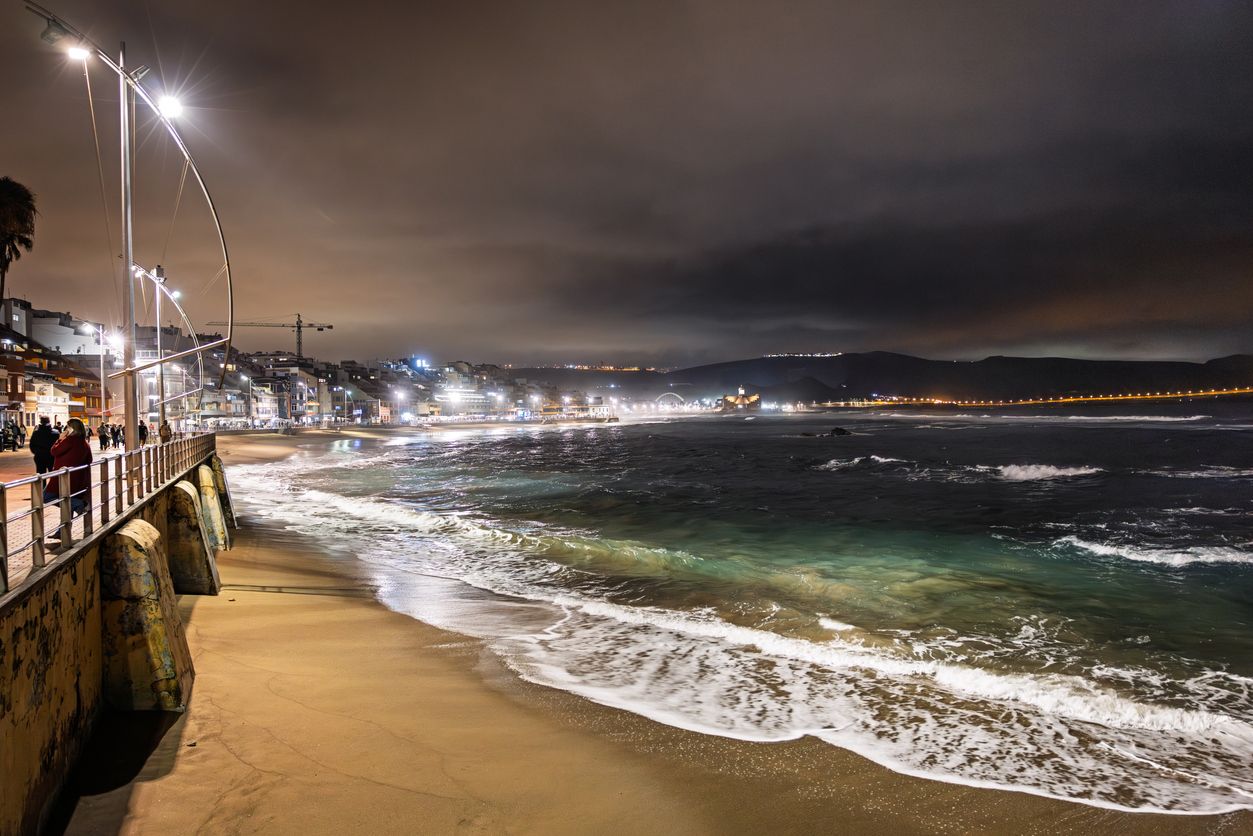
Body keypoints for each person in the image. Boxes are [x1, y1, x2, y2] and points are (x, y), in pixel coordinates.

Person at [44, 418, 92, 538]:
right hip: (77, 479)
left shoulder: (69, 440)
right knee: (67, 502)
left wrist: (60, 439)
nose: (66, 429)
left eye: (67, 427)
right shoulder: (84, 442)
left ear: (71, 428)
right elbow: (89, 460)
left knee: (46, 497)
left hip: (63, 477)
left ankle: (80, 505)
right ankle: (62, 532)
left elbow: (54, 451)